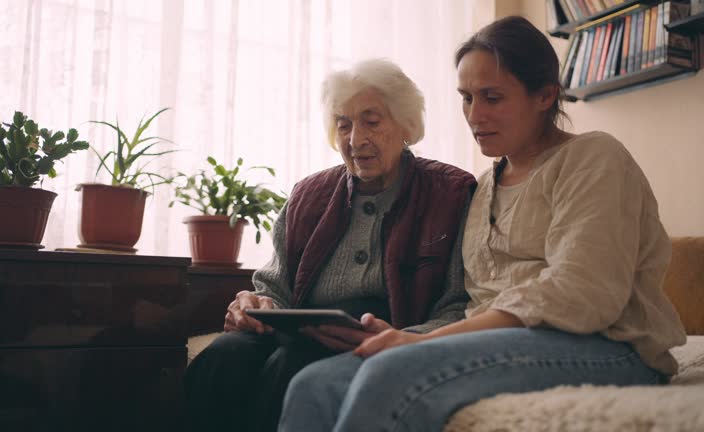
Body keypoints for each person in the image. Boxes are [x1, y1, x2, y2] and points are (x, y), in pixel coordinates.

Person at [278, 16, 688, 432]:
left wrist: (424, 343)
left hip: (607, 346)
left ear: (545, 95)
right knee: (315, 384)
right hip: (500, 341)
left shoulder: (594, 158)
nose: (475, 116)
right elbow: (475, 298)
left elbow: (582, 294)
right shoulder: (484, 185)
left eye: (492, 98)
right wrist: (412, 334)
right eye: (467, 98)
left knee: (391, 373)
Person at [183, 59, 476, 432]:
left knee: (292, 364)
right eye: (344, 124)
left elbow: (459, 305)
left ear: (406, 125)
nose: (356, 140)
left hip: (386, 334)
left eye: (371, 122)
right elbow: (274, 287)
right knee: (222, 357)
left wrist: (407, 338)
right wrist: (254, 304)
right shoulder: (309, 194)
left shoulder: (448, 193)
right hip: (302, 328)